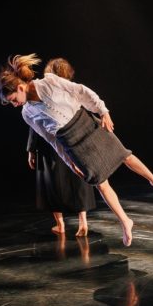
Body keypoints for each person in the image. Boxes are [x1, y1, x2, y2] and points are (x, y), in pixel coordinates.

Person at [0, 54, 153, 247]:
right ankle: (125, 221)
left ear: (20, 88)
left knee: (124, 155)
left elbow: (81, 91)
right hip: (70, 141)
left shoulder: (49, 82)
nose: (14, 104)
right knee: (100, 183)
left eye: (13, 99)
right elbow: (51, 139)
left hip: (85, 123)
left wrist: (103, 111)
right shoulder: (27, 113)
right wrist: (69, 161)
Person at [27, 58, 96, 237]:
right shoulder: (70, 92)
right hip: (73, 140)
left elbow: (35, 125)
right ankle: (83, 221)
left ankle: (60, 224)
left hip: (50, 143)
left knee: (51, 183)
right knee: (79, 179)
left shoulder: (43, 92)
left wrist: (31, 150)